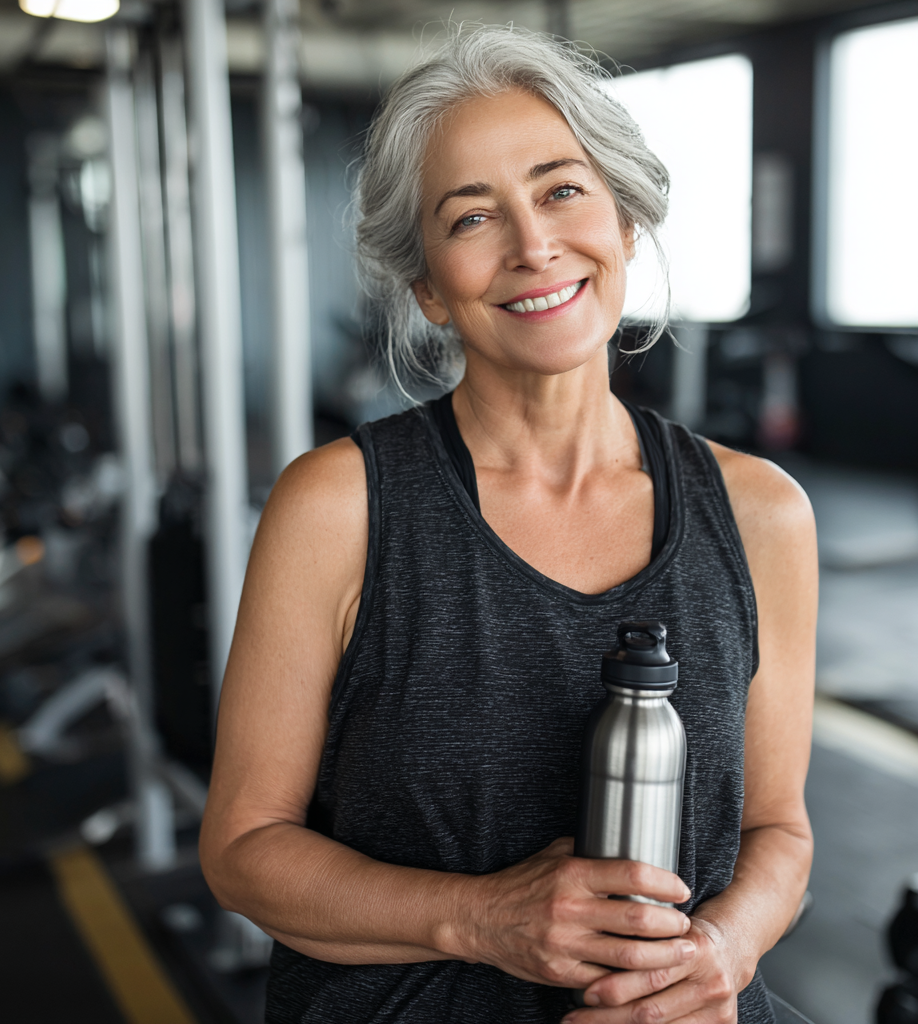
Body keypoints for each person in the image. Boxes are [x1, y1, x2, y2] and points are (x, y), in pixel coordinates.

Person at [200, 25, 817, 1024]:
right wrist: (483, 917)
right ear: (429, 288)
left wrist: (720, 951)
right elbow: (241, 849)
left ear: (622, 223)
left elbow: (778, 831)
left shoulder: (762, 514)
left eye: (561, 189)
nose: (532, 243)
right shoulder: (337, 505)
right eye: (471, 216)